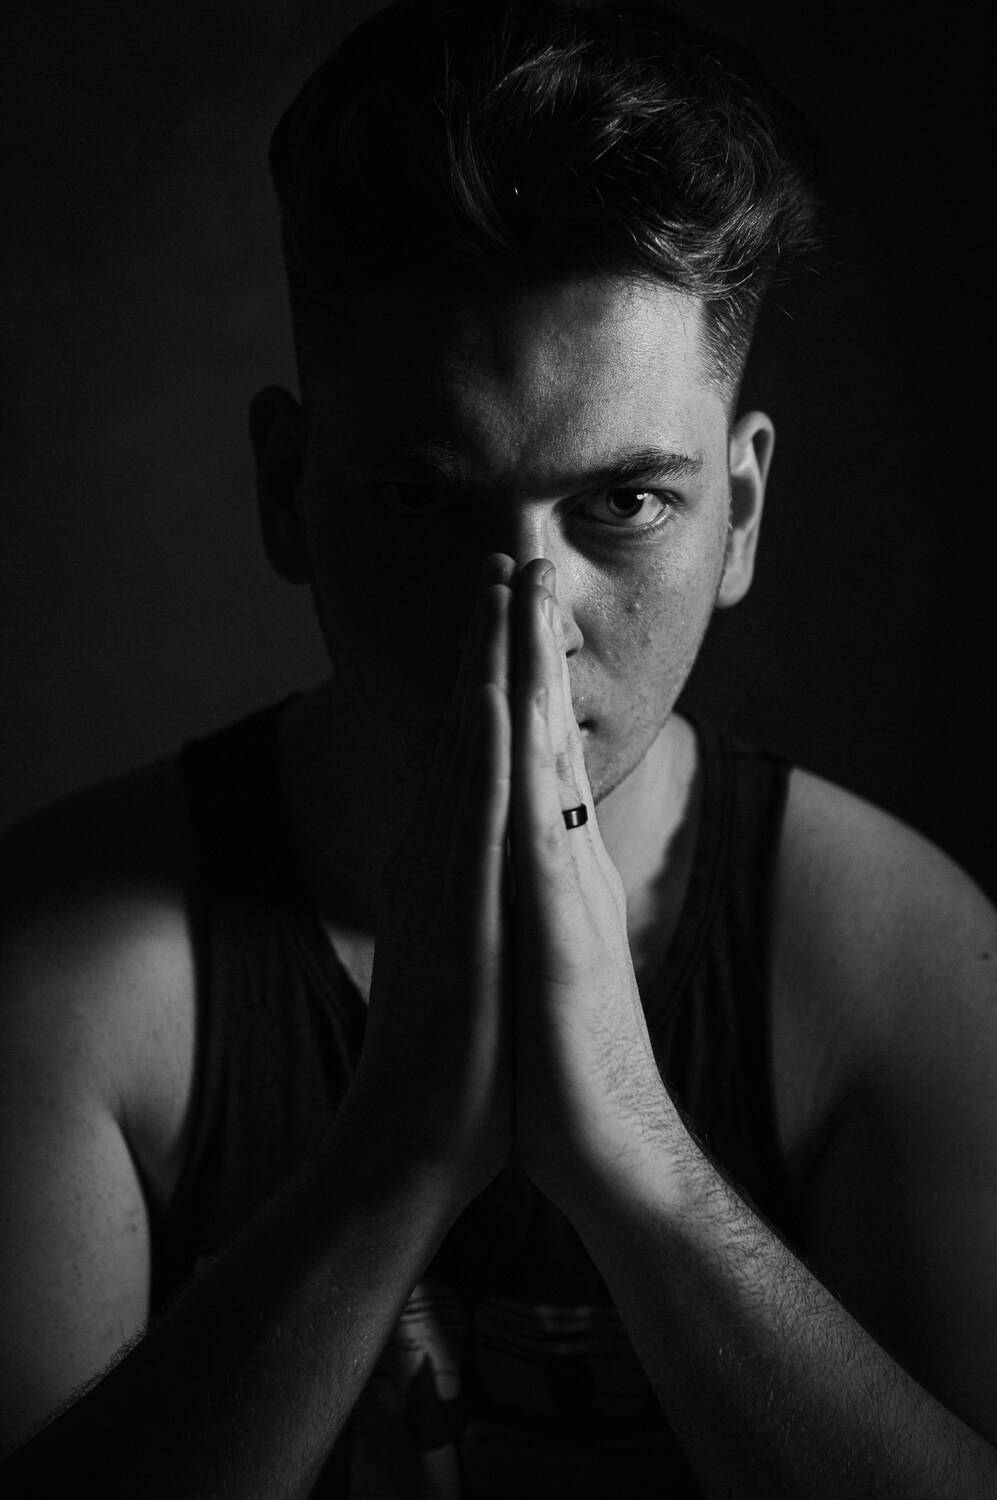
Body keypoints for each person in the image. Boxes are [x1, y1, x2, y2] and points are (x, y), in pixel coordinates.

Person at [1, 1, 994, 1494]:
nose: (525, 620)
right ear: (287, 492)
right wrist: (394, 1159)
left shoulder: (905, 964)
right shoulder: (61, 975)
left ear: (740, 515)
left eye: (623, 505)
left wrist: (637, 1160)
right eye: (423, 502)